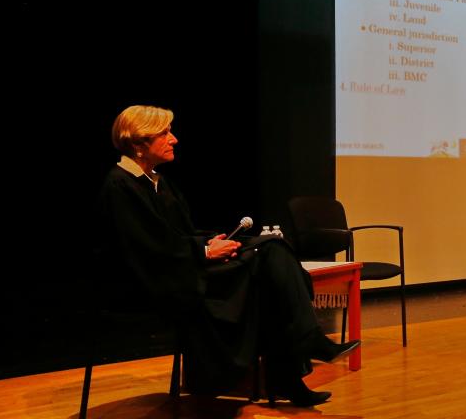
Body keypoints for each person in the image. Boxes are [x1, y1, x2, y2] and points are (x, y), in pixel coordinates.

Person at [97, 105, 359, 405]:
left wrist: (210, 241)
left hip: (182, 263)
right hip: (157, 280)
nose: (174, 139)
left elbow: (179, 234)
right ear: (139, 143)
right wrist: (204, 250)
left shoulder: (158, 182)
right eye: (165, 133)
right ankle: (300, 355)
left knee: (270, 249)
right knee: (266, 272)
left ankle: (296, 362)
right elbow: (145, 248)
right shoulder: (120, 185)